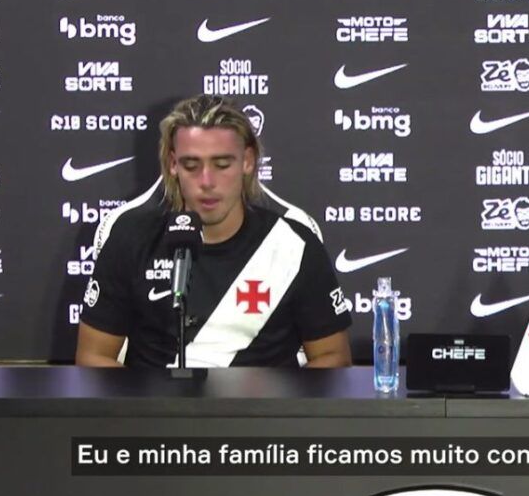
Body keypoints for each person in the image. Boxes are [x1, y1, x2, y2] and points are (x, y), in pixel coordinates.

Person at [76, 95, 352, 367]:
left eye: (222, 165)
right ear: (173, 164)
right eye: (191, 165)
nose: (207, 181)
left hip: (264, 398)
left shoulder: (294, 245)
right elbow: (93, 357)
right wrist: (149, 397)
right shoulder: (131, 239)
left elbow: (333, 357)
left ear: (248, 161)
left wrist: (276, 397)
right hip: (156, 397)